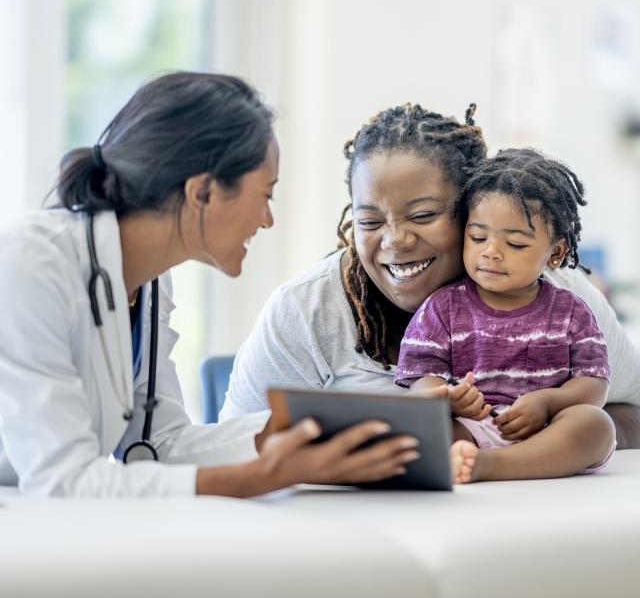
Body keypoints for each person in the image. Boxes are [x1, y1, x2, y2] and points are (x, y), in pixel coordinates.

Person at [0, 72, 422, 497]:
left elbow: (158, 444)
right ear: (203, 192)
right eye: (266, 195)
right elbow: (62, 481)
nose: (266, 220)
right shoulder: (29, 263)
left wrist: (298, 427)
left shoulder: (148, 284)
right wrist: (261, 477)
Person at [220, 103, 640, 449]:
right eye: (369, 222)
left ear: (474, 209)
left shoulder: (558, 295)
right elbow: (237, 447)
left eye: (423, 215)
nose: (396, 240)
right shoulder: (304, 310)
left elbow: (631, 414)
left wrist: (541, 437)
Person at [395, 148, 615, 482]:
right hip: (469, 428)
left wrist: (548, 402)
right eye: (478, 236)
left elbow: (594, 386)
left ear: (555, 252)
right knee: (419, 426)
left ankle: (492, 466)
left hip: (547, 431)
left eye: (515, 244)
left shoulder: (571, 312)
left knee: (596, 425)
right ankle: (468, 459)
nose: (491, 252)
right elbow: (421, 382)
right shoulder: (441, 309)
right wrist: (449, 399)